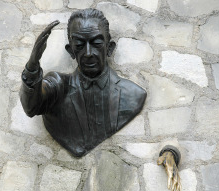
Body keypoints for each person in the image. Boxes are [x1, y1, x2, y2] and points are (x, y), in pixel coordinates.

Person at [20, 9, 146, 156]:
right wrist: (32, 66)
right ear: (71, 51)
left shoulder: (133, 94)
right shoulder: (58, 86)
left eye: (97, 43)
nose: (88, 53)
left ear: (109, 48)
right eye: (79, 45)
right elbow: (31, 107)